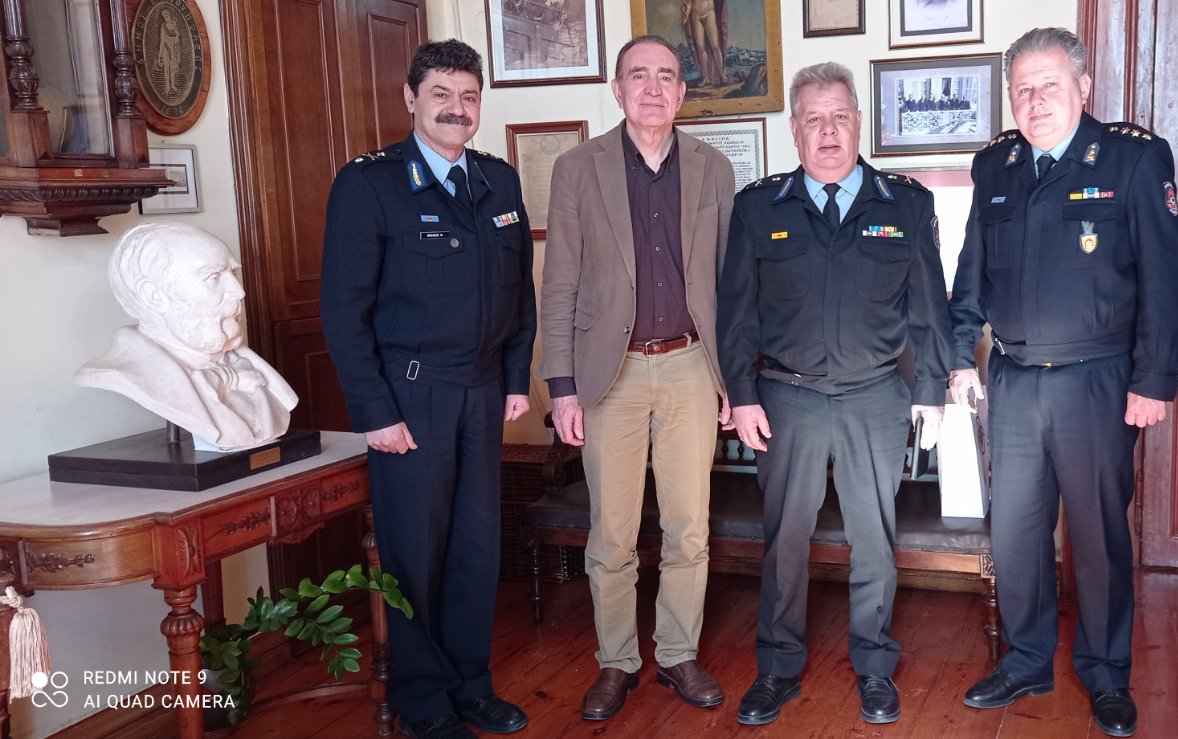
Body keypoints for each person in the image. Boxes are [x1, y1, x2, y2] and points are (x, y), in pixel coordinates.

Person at [948, 27, 1178, 738]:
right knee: (1017, 531)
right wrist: (960, 351)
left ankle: (1107, 673)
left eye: (1049, 84)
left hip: (1099, 383)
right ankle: (1026, 659)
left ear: (1083, 87)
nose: (1034, 100)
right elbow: (971, 269)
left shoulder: (1133, 158)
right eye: (1021, 88)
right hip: (1015, 381)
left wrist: (1154, 380)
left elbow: (1165, 278)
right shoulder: (996, 165)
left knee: (1098, 535)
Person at [718, 61, 952, 728]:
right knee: (785, 540)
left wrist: (930, 391)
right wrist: (741, 394)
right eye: (814, 119)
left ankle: (874, 665)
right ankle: (777, 667)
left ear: (858, 123)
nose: (828, 131)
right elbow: (737, 314)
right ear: (794, 129)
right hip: (784, 399)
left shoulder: (905, 204)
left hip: (874, 397)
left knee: (874, 539)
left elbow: (930, 310)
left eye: (840, 117)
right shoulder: (758, 207)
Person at [320, 39, 536, 739]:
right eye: (441, 94)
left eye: (468, 96)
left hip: (482, 393)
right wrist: (374, 411)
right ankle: (422, 701)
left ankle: (470, 684)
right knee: (414, 552)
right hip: (411, 399)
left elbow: (520, 294)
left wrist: (515, 380)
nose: (456, 109)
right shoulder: (370, 185)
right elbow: (343, 310)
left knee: (476, 547)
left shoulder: (498, 181)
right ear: (411, 98)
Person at [538, 34, 737, 722]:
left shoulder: (713, 168)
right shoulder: (577, 168)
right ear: (617, 89)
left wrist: (733, 381)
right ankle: (617, 661)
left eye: (666, 76)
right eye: (638, 75)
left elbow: (730, 284)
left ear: (682, 92)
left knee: (689, 528)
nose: (653, 88)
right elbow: (558, 283)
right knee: (612, 534)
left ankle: (678, 654)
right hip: (610, 372)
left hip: (691, 366)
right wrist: (561, 385)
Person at [77, 222, 297, 452]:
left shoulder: (245, 363)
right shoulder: (124, 373)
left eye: (233, 273)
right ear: (154, 296)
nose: (239, 292)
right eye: (213, 277)